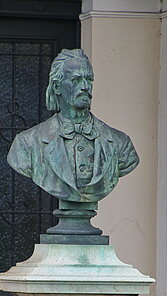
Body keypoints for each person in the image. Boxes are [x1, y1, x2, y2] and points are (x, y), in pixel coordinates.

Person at [7, 48, 139, 203]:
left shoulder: (120, 143)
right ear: (57, 87)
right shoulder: (27, 143)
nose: (85, 87)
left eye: (89, 80)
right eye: (76, 80)